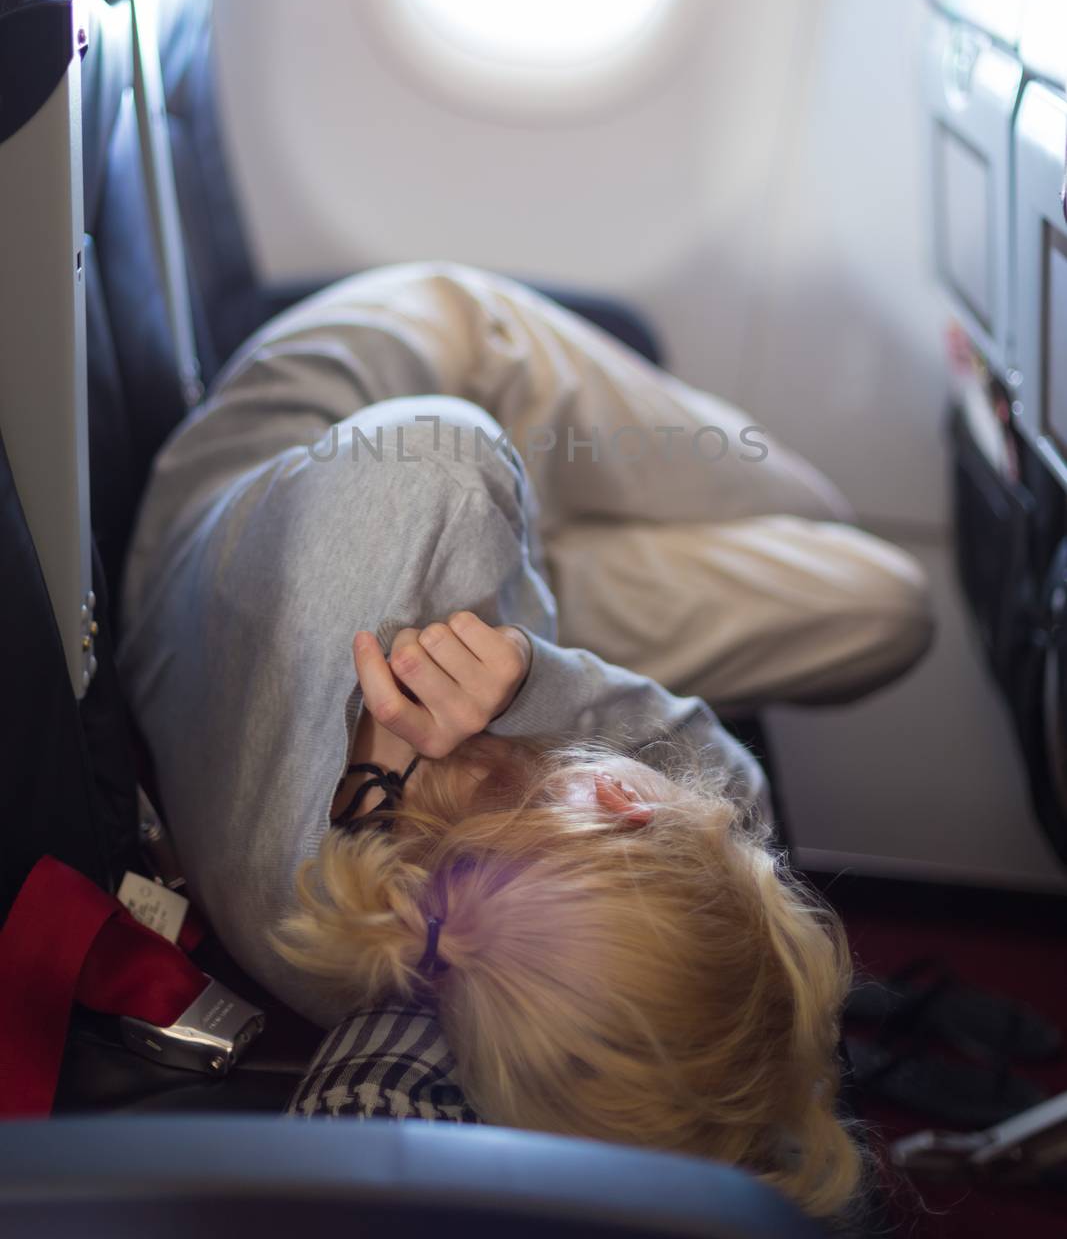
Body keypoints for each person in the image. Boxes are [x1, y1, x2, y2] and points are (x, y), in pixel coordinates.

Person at [118, 260, 933, 1220]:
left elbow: (436, 450)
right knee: (887, 605)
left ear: (624, 798)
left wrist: (499, 660)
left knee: (812, 520)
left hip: (341, 436)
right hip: (529, 613)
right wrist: (534, 677)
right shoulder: (457, 958)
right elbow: (736, 784)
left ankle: (557, 544)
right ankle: (554, 561)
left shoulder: (426, 506)